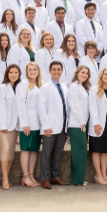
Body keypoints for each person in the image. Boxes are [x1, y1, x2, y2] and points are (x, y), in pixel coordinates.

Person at [37, 61, 69, 189]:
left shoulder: (64, 87)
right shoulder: (45, 87)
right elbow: (41, 108)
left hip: (62, 125)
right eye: (54, 69)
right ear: (49, 71)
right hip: (50, 127)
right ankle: (44, 178)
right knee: (46, 153)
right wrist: (46, 126)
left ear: (62, 71)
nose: (56, 71)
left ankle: (55, 176)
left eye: (59, 69)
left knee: (58, 152)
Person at [16, 62, 43, 188]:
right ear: (26, 72)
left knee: (34, 150)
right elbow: (20, 104)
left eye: (34, 69)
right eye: (30, 70)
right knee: (26, 149)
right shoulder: (23, 84)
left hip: (37, 124)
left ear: (38, 71)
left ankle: (31, 175)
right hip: (27, 124)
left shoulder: (40, 84)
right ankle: (25, 176)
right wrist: (24, 124)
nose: (32, 72)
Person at [89, 68, 107, 185]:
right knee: (97, 150)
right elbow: (93, 107)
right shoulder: (95, 89)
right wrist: (96, 123)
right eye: (106, 74)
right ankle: (98, 175)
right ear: (101, 76)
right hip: (99, 124)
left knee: (106, 151)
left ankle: (104, 174)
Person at [0, 65, 21, 190]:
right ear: (7, 74)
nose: (14, 74)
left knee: (10, 152)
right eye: (11, 72)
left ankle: (5, 175)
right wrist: (3, 125)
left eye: (16, 72)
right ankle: (5, 178)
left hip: (15, 125)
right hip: (4, 126)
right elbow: (1, 107)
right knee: (4, 151)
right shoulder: (2, 87)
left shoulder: (20, 87)